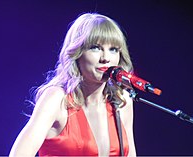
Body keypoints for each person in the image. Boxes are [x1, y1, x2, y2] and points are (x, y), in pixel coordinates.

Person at [9, 12, 137, 157]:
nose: (106, 58)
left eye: (113, 49)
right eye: (95, 47)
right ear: (77, 52)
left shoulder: (122, 101)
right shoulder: (57, 98)